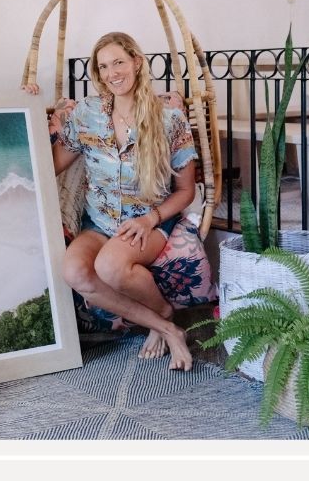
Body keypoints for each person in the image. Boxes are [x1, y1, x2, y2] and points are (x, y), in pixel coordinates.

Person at [24, 32, 197, 371]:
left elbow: (185, 192)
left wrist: (150, 220)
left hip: (149, 219)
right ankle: (165, 324)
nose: (112, 72)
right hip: (99, 221)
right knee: (74, 271)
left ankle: (162, 319)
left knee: (109, 267)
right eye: (103, 66)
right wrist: (28, 108)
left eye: (119, 62)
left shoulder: (169, 120)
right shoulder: (87, 114)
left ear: (137, 62)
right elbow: (50, 166)